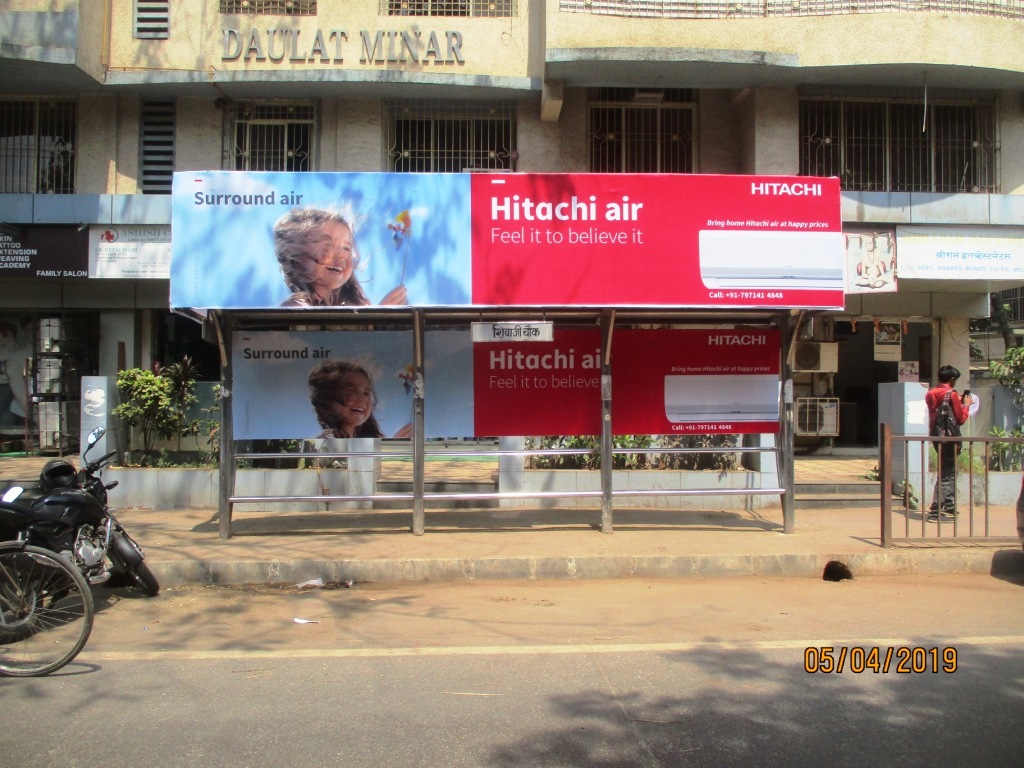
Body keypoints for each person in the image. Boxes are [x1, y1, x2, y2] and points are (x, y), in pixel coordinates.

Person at [274, 205, 407, 307]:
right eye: (327, 247)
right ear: (296, 257)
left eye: (346, 248)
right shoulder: (295, 307)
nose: (341, 256)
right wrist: (377, 321)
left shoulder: (354, 306)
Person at [925, 364, 972, 521]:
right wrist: (966, 405)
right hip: (950, 437)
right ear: (952, 379)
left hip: (936, 435)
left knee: (950, 470)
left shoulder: (930, 393)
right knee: (946, 473)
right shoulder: (951, 394)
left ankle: (950, 505)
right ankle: (935, 510)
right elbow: (960, 419)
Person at [308, 360, 385, 439]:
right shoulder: (325, 442)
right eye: (351, 391)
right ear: (327, 398)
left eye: (366, 393)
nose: (362, 398)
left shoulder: (370, 441)